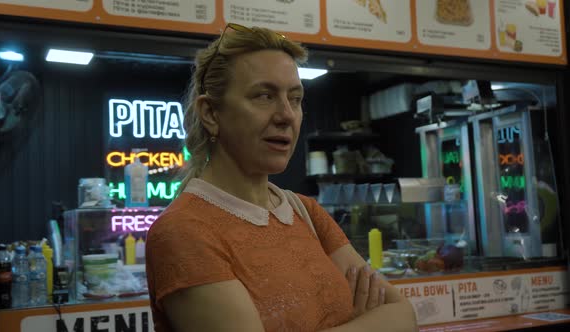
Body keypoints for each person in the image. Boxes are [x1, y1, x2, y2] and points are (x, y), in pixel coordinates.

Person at [145, 23, 418, 332]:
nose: (287, 114)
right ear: (210, 113)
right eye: (264, 96)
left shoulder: (307, 213)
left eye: (296, 98)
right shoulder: (183, 231)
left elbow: (403, 314)